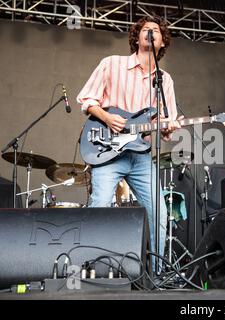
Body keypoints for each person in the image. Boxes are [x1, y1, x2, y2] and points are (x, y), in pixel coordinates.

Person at [77, 15, 181, 267]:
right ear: (136, 37)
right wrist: (107, 116)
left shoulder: (164, 80)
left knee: (160, 213)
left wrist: (169, 128)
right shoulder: (112, 64)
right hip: (107, 149)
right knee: (100, 204)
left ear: (162, 43)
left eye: (155, 31)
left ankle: (157, 274)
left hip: (141, 155)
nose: (150, 33)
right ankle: (89, 269)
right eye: (145, 29)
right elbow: (87, 100)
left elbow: (166, 124)